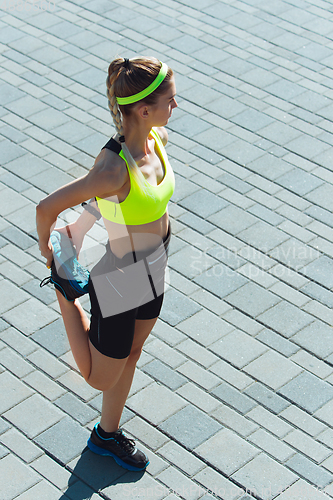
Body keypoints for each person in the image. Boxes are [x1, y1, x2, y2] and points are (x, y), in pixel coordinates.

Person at [36, 56, 177, 471]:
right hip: (122, 273)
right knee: (100, 377)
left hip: (156, 262)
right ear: (144, 108)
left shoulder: (157, 139)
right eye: (171, 100)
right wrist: (50, 249)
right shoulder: (113, 167)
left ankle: (106, 435)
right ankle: (66, 294)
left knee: (131, 355)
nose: (177, 107)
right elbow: (45, 207)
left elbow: (118, 203)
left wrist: (81, 225)